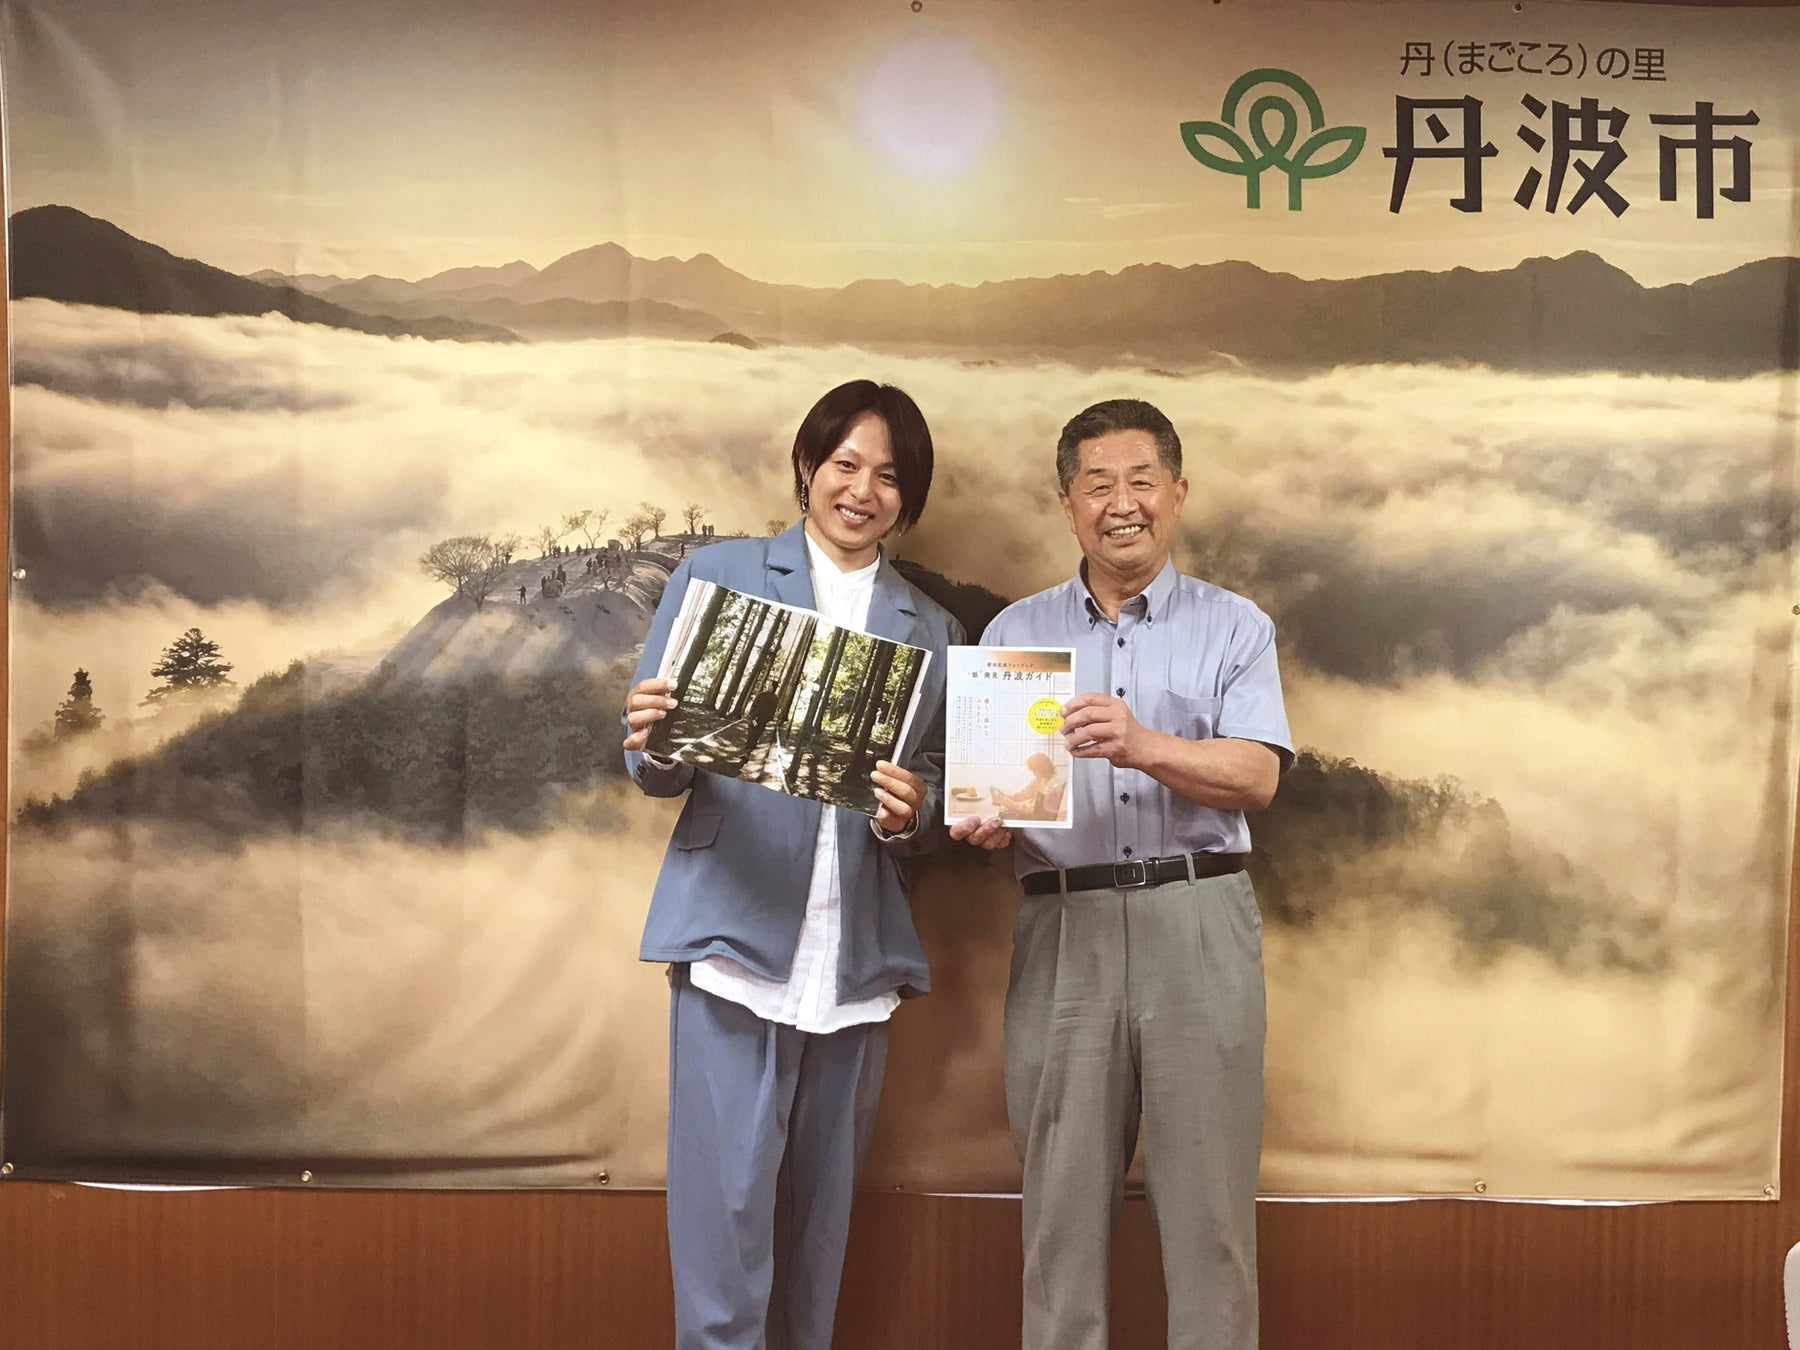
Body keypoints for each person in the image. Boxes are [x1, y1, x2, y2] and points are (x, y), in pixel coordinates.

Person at [622, 379, 1009, 1350]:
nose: (862, 490)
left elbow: (935, 792)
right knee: (724, 1227)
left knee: (819, 1233)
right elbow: (653, 764)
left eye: (889, 476)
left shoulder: (932, 628)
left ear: (909, 497)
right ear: (807, 465)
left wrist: (915, 812)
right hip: (733, 939)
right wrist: (656, 741)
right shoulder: (717, 577)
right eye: (845, 464)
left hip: (856, 959)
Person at [973, 398, 1293, 1350]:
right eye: (1098, 484)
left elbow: (1259, 776)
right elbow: (993, 787)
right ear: (1066, 503)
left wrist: (1144, 743)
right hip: (1062, 926)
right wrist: (982, 821)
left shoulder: (1235, 627)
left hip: (1200, 918)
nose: (1123, 504)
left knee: (1212, 1223)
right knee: (1059, 1223)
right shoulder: (1014, 632)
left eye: (1142, 481)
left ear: (1178, 493)